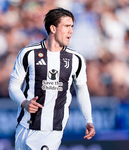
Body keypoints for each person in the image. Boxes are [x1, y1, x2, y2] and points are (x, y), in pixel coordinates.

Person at [8, 7, 95, 150]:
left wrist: (89, 120)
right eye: (67, 26)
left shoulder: (75, 59)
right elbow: (13, 86)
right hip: (24, 126)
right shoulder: (28, 53)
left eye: (72, 27)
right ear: (53, 28)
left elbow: (82, 90)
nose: (71, 31)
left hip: (52, 130)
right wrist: (24, 102)